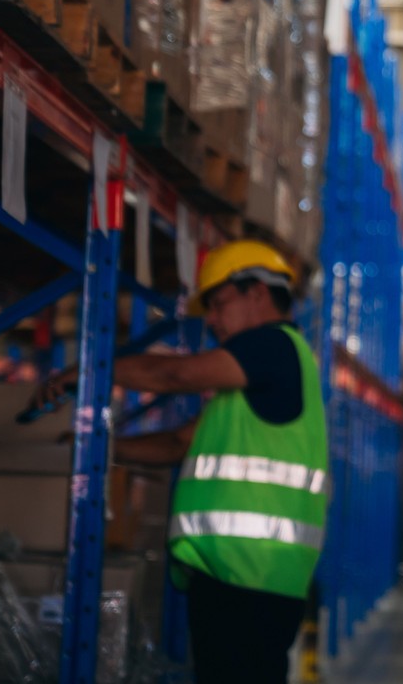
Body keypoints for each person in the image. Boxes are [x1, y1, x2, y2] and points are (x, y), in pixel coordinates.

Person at [34, 240, 328, 684]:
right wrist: (101, 445)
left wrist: (90, 369)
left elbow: (177, 375)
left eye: (218, 304)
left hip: (249, 573)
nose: (211, 321)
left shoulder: (274, 345)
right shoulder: (254, 383)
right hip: (241, 574)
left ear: (258, 294)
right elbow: (177, 444)